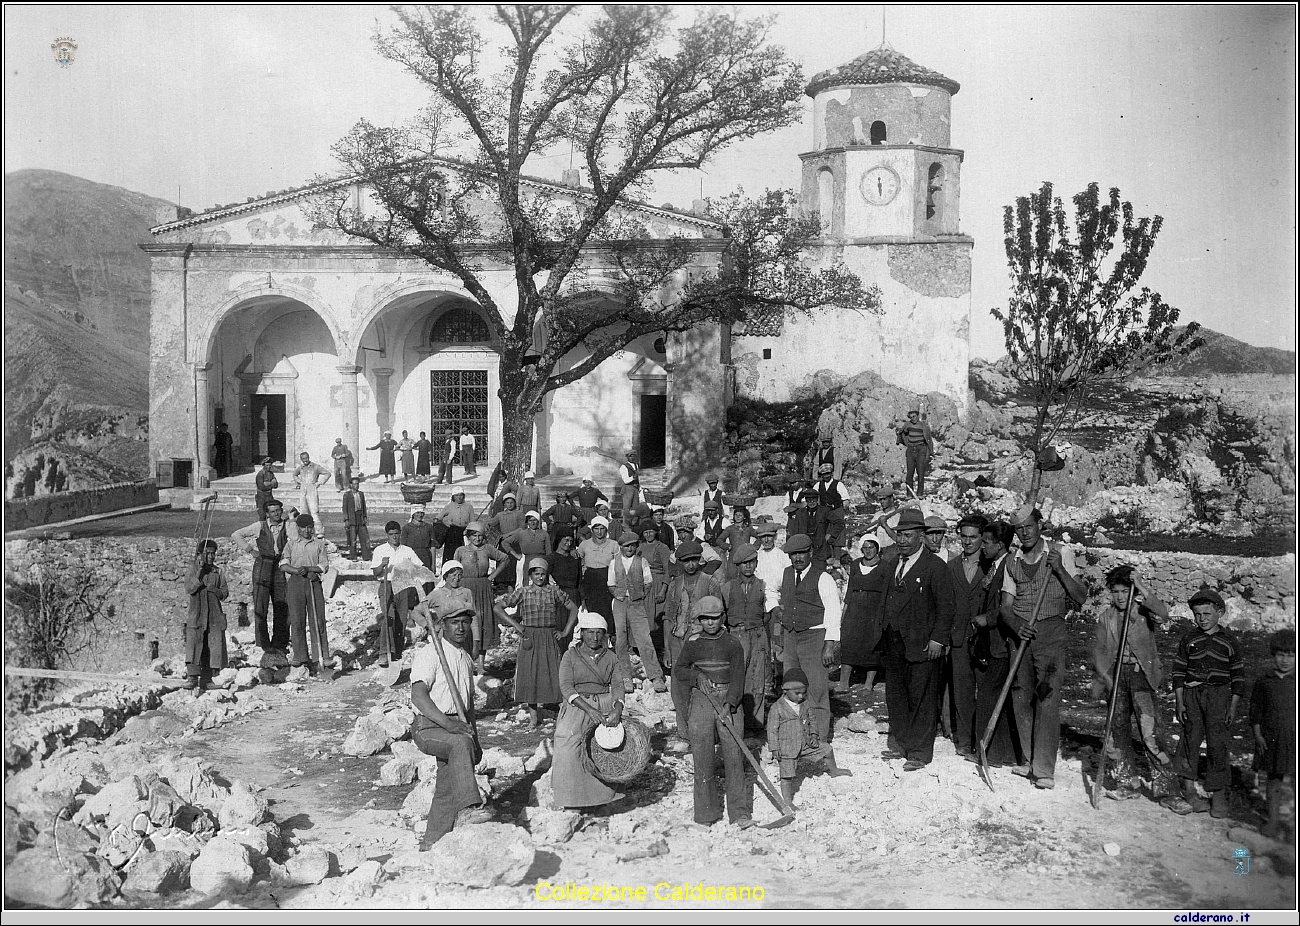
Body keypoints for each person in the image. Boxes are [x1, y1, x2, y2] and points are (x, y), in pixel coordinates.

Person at [1000, 504, 1086, 789]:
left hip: (1050, 631)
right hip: (1021, 632)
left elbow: (1080, 597)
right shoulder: (1012, 560)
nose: (1024, 533)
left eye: (1029, 526)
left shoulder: (1061, 553)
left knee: (1047, 697)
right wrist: (1016, 626)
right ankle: (1028, 760)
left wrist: (1059, 569)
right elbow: (1005, 607)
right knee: (1020, 695)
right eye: (1019, 529)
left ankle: (1044, 768)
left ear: (1040, 525)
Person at [877, 509, 956, 772]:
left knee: (922, 696)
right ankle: (902, 743)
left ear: (921, 536)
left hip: (923, 643)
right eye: (899, 534)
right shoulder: (893, 564)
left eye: (908, 536)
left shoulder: (935, 567)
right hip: (895, 641)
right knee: (897, 695)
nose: (901, 540)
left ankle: (920, 752)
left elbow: (946, 607)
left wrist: (938, 639)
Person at [1090, 565, 1174, 800]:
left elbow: (1164, 614)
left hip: (1140, 676)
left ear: (1132, 591)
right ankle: (1127, 783)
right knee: (1116, 732)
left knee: (1150, 733)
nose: (1119, 597)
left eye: (1124, 591)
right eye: (1115, 592)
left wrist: (1142, 587)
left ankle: (1167, 790)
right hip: (1116, 676)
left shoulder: (1144, 612)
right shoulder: (1106, 617)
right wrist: (1104, 677)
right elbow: (1098, 650)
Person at [409, 605, 488, 849]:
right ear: (442, 625)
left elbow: (468, 705)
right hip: (429, 726)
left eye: (465, 622)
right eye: (455, 623)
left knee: (447, 785)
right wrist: (449, 725)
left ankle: (433, 841)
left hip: (457, 724)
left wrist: (474, 737)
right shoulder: (430, 654)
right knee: (459, 744)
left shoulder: (464, 657)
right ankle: (468, 809)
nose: (461, 627)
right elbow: (418, 697)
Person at [672, 596, 753, 829]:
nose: (710, 623)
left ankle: (739, 813)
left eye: (715, 618)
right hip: (702, 700)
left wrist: (731, 703)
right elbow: (679, 670)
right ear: (699, 620)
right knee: (702, 755)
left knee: (733, 756)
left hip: (729, 701)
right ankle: (706, 813)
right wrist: (696, 677)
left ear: (723, 618)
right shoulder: (693, 643)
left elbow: (739, 677)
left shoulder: (732, 644)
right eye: (705, 618)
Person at [1171, 588, 1245, 817]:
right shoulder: (1189, 639)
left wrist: (1232, 707)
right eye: (1197, 614)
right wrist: (1180, 702)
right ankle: (1189, 790)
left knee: (1217, 744)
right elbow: (1179, 672)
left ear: (1219, 613)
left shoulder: (1229, 641)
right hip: (1192, 696)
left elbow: (1238, 677)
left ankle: (1219, 793)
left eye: (1207, 614)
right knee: (1189, 740)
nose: (1202, 619)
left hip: (1219, 696)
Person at [774, 533, 843, 749]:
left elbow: (833, 611)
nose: (797, 558)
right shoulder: (784, 574)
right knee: (792, 685)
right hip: (791, 636)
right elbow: (769, 590)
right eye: (793, 554)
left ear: (810, 553)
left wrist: (830, 643)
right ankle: (796, 732)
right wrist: (775, 608)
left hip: (814, 637)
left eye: (801, 553)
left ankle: (819, 738)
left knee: (816, 688)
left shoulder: (823, 577)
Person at [553, 611, 626, 810]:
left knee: (604, 750)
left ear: (604, 635)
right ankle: (569, 798)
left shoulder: (611, 657)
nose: (594, 637)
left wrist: (617, 708)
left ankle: (601, 798)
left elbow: (618, 684)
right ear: (581, 633)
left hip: (604, 705)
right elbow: (566, 686)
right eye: (589, 632)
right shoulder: (570, 656)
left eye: (598, 633)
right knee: (567, 747)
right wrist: (589, 709)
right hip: (578, 706)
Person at [495, 558, 578, 728]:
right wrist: (516, 625)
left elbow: (574, 608)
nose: (540, 577)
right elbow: (497, 607)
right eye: (536, 574)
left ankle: (563, 714)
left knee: (554, 672)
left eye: (543, 574)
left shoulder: (554, 591)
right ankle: (534, 718)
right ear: (530, 575)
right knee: (530, 674)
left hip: (549, 636)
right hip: (529, 636)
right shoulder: (523, 592)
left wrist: (565, 631)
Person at [765, 667, 852, 806]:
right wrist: (774, 748)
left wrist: (814, 734)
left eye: (804, 693)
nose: (800, 696)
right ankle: (787, 802)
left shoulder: (804, 704)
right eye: (797, 693)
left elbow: (812, 719)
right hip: (787, 749)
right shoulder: (777, 708)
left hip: (806, 744)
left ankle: (834, 770)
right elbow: (771, 730)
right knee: (787, 777)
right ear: (785, 690)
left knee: (828, 750)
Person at [969, 520, 1018, 768]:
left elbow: (1007, 607)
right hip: (991, 642)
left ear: (1000, 545)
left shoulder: (1008, 566)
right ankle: (1001, 753)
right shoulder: (995, 565)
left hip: (1002, 641)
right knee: (996, 695)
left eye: (986, 542)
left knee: (989, 695)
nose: (982, 547)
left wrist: (985, 619)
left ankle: (990, 752)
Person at [943, 514, 985, 757]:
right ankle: (963, 741)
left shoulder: (991, 565)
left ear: (982, 537)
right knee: (962, 691)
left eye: (973, 537)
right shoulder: (952, 566)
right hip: (958, 638)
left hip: (983, 638)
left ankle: (983, 742)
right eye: (964, 537)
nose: (968, 542)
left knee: (986, 692)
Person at [607, 531, 667, 694]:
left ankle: (656, 676)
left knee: (644, 639)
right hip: (620, 604)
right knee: (621, 641)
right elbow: (611, 584)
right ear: (621, 547)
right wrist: (619, 595)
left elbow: (648, 582)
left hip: (637, 604)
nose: (630, 548)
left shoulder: (642, 561)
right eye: (626, 546)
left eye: (633, 545)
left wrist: (638, 595)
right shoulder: (614, 562)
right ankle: (626, 677)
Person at [721, 542, 772, 732]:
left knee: (757, 681)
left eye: (751, 562)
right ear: (737, 566)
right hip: (736, 635)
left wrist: (757, 627)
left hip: (757, 635)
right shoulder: (727, 587)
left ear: (756, 563)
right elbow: (722, 614)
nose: (748, 566)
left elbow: (768, 611)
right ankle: (736, 722)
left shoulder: (763, 586)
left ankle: (755, 726)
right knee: (736, 678)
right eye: (744, 563)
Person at [371, 521, 436, 667]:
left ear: (400, 533)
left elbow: (420, 567)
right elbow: (375, 572)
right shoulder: (380, 550)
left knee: (401, 619)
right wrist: (382, 565)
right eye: (391, 534)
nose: (394, 537)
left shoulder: (407, 551)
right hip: (386, 585)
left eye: (396, 533)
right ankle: (384, 652)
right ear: (387, 535)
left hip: (403, 586)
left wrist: (412, 571)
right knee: (389, 617)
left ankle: (396, 652)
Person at [1251, 629, 1296, 839]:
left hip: (1294, 739)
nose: (1285, 660)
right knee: (1274, 779)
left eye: (1291, 655)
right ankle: (1273, 820)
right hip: (1272, 738)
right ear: (1273, 655)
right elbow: (1256, 711)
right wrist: (1258, 735)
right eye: (1280, 654)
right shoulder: (1264, 681)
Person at [281, 513, 335, 680]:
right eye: (303, 527)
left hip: (313, 583)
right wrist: (297, 570)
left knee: (318, 621)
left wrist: (311, 570)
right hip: (296, 583)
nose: (306, 530)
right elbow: (283, 564)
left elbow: (324, 565)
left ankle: (322, 657)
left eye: (309, 527)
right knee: (297, 621)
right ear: (297, 528)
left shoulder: (318, 544)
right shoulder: (291, 544)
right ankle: (300, 657)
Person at [232, 499, 290, 651]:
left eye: (278, 510)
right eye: (273, 511)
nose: (276, 514)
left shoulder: (287, 525)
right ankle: (263, 644)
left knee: (281, 604)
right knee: (261, 605)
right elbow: (236, 534)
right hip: (263, 566)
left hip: (279, 567)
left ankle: (280, 644)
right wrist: (250, 550)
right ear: (267, 514)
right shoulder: (259, 526)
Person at [837, 534, 890, 704]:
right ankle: (844, 682)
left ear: (877, 548)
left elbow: (886, 593)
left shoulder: (885, 567)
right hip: (855, 608)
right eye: (865, 548)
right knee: (848, 641)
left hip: (874, 610)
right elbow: (850, 589)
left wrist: (883, 615)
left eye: (871, 547)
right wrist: (844, 613)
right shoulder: (855, 564)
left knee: (872, 644)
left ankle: (868, 684)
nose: (868, 551)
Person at [663, 539, 724, 676]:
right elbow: (668, 618)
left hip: (703, 640)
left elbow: (720, 617)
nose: (690, 565)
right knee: (679, 681)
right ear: (680, 562)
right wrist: (667, 649)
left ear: (700, 560)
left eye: (694, 560)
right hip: (678, 639)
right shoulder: (675, 584)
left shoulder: (710, 583)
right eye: (686, 561)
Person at [455, 522, 509, 665]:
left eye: (480, 536)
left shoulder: (487, 549)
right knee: (466, 620)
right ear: (469, 537)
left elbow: (505, 559)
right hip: (465, 588)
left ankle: (480, 663)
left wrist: (492, 576)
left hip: (483, 588)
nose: (477, 539)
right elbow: (453, 569)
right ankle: (466, 660)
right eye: (474, 536)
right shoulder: (460, 551)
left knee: (483, 621)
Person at [185, 539, 228, 692]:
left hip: (214, 615)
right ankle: (192, 678)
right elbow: (189, 588)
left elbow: (224, 593)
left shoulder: (218, 572)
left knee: (211, 646)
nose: (211, 556)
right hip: (197, 614)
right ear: (200, 555)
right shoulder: (192, 570)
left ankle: (207, 679)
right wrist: (199, 572)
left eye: (213, 553)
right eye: (207, 553)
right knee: (195, 644)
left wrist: (213, 589)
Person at [577, 517, 619, 632]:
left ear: (606, 530)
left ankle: (608, 635)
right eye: (596, 529)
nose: (599, 532)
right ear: (592, 530)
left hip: (607, 577)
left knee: (607, 608)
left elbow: (617, 565)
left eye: (602, 529)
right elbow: (578, 562)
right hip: (591, 578)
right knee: (592, 607)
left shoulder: (613, 544)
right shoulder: (584, 544)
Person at [546, 535, 584, 646]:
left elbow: (579, 580)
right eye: (566, 540)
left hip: (574, 594)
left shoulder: (575, 558)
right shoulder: (551, 558)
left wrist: (582, 597)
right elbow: (546, 578)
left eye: (571, 541)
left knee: (572, 628)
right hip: (559, 595)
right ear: (559, 540)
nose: (568, 543)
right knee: (559, 626)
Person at [637, 523, 672, 630]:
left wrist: (663, 590)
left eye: (651, 531)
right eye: (645, 532)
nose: (648, 535)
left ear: (656, 532)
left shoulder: (662, 547)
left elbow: (668, 570)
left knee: (657, 615)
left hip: (657, 583)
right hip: (644, 583)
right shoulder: (640, 548)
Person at [504, 511, 551, 588]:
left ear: (538, 521)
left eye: (534, 520)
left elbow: (549, 552)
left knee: (542, 584)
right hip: (527, 561)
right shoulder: (522, 533)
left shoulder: (544, 534)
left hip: (541, 561)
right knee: (527, 584)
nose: (532, 523)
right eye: (530, 520)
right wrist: (516, 555)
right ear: (527, 522)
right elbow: (505, 543)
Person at [813, 464, 848, 565]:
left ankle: (837, 558)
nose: (826, 476)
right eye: (823, 474)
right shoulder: (818, 485)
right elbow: (813, 494)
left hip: (836, 510)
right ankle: (829, 556)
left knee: (838, 533)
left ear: (831, 473)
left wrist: (844, 510)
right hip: (825, 511)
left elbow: (845, 499)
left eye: (828, 474)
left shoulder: (838, 484)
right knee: (826, 532)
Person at [897, 408, 934, 498]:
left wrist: (930, 451)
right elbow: (902, 432)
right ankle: (909, 494)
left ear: (918, 415)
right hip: (910, 450)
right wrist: (904, 442)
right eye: (911, 417)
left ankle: (920, 494)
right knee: (910, 472)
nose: (912, 418)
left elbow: (929, 439)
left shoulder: (924, 426)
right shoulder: (907, 425)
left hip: (921, 449)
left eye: (914, 416)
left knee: (921, 472)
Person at [293, 452, 330, 536]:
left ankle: (319, 531)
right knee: (303, 511)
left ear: (308, 457)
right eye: (303, 459)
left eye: (306, 458)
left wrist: (319, 482)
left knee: (314, 511)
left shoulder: (315, 467)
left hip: (312, 490)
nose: (305, 460)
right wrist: (299, 482)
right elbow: (294, 475)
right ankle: (304, 531)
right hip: (303, 490)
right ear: (301, 459)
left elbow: (327, 473)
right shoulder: (300, 468)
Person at [716, 507, 757, 582]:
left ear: (744, 517)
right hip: (733, 557)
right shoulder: (730, 528)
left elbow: (759, 537)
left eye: (740, 515)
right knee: (732, 578)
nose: (737, 517)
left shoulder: (748, 529)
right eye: (736, 515)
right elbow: (719, 540)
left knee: (745, 578)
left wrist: (753, 548)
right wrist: (727, 546)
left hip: (746, 557)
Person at [439, 488, 475, 563]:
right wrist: (446, 523)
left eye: (461, 495)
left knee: (464, 552)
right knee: (450, 553)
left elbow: (472, 521)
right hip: (451, 532)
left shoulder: (469, 507)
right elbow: (438, 518)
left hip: (464, 532)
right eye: (457, 495)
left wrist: (468, 530)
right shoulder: (448, 506)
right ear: (453, 497)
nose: (459, 497)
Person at [341, 476, 372, 561]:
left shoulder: (361, 494)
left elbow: (364, 507)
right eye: (354, 484)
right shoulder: (347, 495)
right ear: (351, 485)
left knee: (364, 538)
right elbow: (344, 508)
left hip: (360, 518)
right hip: (352, 519)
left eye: (357, 484)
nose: (356, 486)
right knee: (352, 539)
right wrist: (346, 520)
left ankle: (366, 556)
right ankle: (353, 556)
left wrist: (365, 517)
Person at [401, 504, 439, 573]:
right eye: (417, 513)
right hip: (412, 558)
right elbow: (403, 547)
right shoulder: (406, 528)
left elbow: (433, 547)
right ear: (413, 514)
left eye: (422, 513)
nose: (420, 515)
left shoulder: (429, 527)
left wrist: (433, 565)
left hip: (426, 558)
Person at [618, 452, 641, 516]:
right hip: (628, 488)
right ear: (627, 457)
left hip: (636, 488)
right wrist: (634, 477)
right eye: (630, 456)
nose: (632, 458)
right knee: (627, 507)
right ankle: (626, 524)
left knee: (635, 508)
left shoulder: (637, 465)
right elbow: (625, 480)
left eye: (633, 456)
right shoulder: (623, 467)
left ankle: (633, 523)